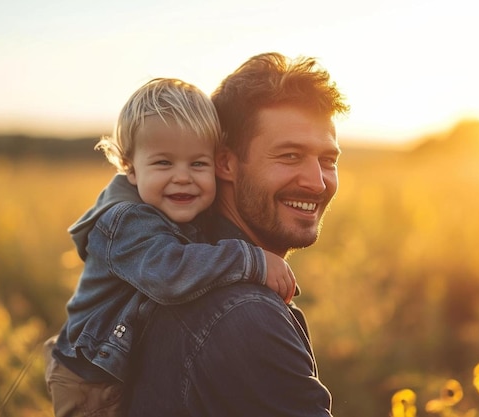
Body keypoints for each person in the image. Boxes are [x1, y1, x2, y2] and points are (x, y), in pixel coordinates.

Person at [44, 78, 297, 417]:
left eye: (198, 164)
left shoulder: (170, 206)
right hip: (90, 382)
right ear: (131, 168)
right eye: (164, 163)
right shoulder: (127, 222)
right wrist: (252, 260)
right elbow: (170, 273)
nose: (183, 177)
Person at [124, 52, 350, 416]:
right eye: (290, 156)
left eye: (328, 160)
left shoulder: (186, 260)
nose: (317, 182)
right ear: (225, 162)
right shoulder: (245, 317)